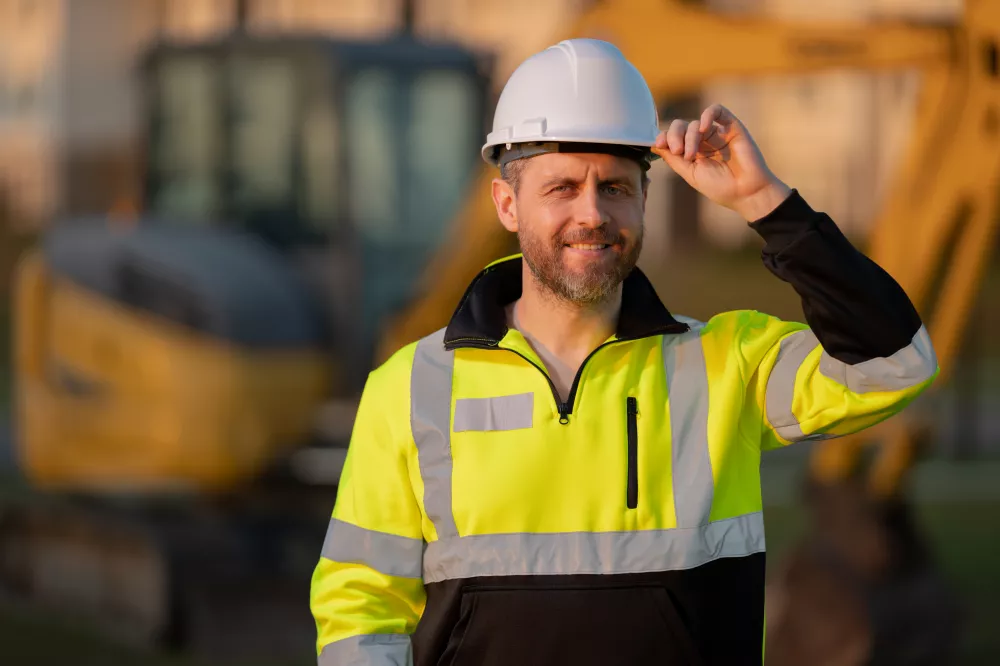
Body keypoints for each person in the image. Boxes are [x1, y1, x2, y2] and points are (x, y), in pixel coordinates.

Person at [309, 38, 938, 666]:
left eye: (614, 187)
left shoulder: (728, 365)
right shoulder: (410, 386)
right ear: (507, 204)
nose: (592, 214)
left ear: (643, 198)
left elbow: (895, 362)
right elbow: (360, 607)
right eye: (562, 188)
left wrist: (763, 202)